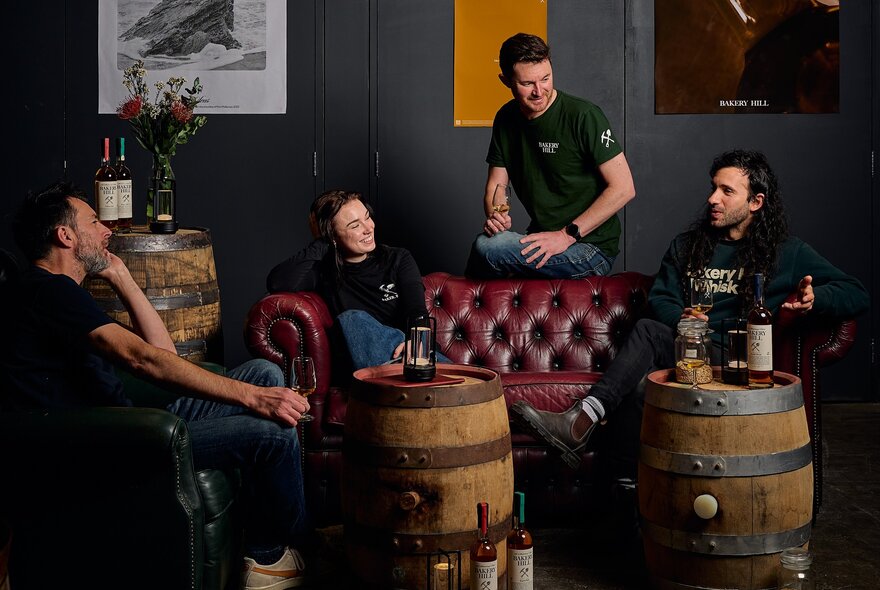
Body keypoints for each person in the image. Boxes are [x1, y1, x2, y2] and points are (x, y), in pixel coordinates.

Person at [0, 181, 310, 590]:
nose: (107, 229)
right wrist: (254, 399)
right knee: (272, 432)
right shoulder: (46, 290)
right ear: (66, 235)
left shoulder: (59, 292)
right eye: (94, 221)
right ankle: (272, 554)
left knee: (263, 372)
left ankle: (263, 541)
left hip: (135, 417)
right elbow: (141, 360)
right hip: (123, 438)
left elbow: (163, 354)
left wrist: (122, 276)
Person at [511, 149, 869, 484]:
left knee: (649, 337)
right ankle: (627, 491)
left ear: (756, 202)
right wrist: (684, 319)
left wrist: (815, 297)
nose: (713, 198)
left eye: (727, 191)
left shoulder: (788, 254)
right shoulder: (687, 246)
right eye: (713, 188)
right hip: (687, 350)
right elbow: (661, 299)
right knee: (641, 381)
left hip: (736, 359)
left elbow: (856, 292)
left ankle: (581, 421)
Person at [465, 32, 636, 279]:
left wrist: (566, 236)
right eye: (527, 84)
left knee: (487, 248)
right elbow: (497, 184)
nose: (539, 91)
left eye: (545, 78)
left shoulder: (583, 115)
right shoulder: (505, 118)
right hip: (543, 237)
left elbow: (624, 188)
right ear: (506, 81)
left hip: (590, 246)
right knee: (488, 242)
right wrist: (496, 216)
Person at [267, 189, 450, 370]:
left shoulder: (398, 258)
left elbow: (416, 310)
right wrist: (322, 241)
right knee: (352, 320)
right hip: (370, 366)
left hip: (413, 356)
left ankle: (407, 373)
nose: (368, 228)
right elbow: (278, 282)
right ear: (333, 236)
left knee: (462, 381)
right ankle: (397, 373)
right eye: (355, 225)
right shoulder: (323, 272)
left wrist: (418, 343)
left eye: (367, 217)